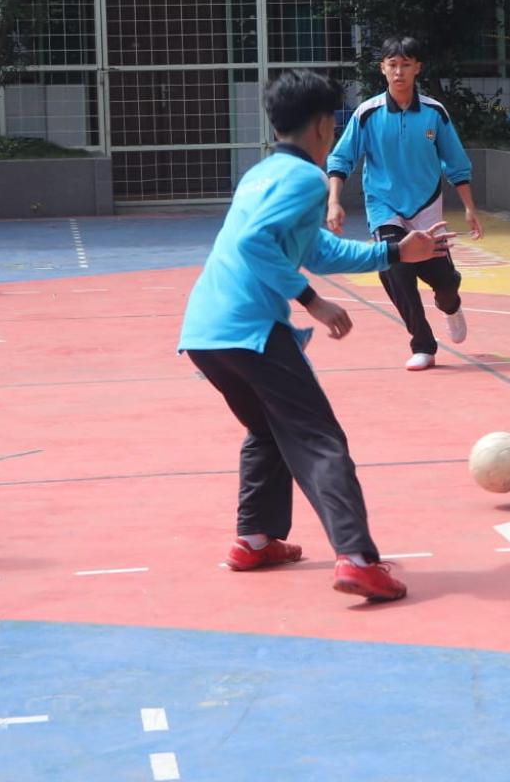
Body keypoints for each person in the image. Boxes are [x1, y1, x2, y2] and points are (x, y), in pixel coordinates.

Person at [180, 70, 454, 603]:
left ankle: (255, 538)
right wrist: (312, 301)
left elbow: (315, 251)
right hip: (250, 329)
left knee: (266, 428)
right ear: (326, 125)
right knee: (320, 440)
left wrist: (396, 252)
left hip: (205, 331)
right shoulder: (307, 180)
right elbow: (258, 246)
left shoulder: (260, 175)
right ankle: (356, 559)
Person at [325, 36, 481, 372]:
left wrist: (469, 207)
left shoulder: (434, 113)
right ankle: (423, 344)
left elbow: (455, 162)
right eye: (392, 65)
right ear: (382, 69)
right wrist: (334, 201)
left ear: (417, 68)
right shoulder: (367, 114)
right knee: (394, 267)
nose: (399, 72)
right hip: (384, 207)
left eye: (406, 65)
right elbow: (341, 158)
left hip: (425, 207)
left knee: (444, 280)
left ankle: (450, 305)